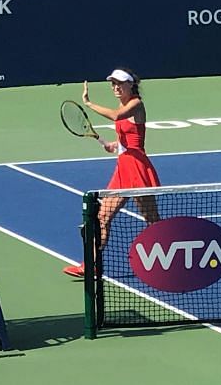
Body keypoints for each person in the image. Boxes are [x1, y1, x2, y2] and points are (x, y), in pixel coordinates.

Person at [62, 69, 161, 278]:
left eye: (120, 84)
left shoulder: (136, 104)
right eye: (113, 84)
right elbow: (129, 138)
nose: (116, 87)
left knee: (152, 220)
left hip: (137, 168)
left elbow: (118, 118)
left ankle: (169, 259)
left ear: (130, 85)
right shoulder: (122, 104)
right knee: (102, 217)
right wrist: (114, 145)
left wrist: (88, 103)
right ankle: (90, 266)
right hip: (123, 167)